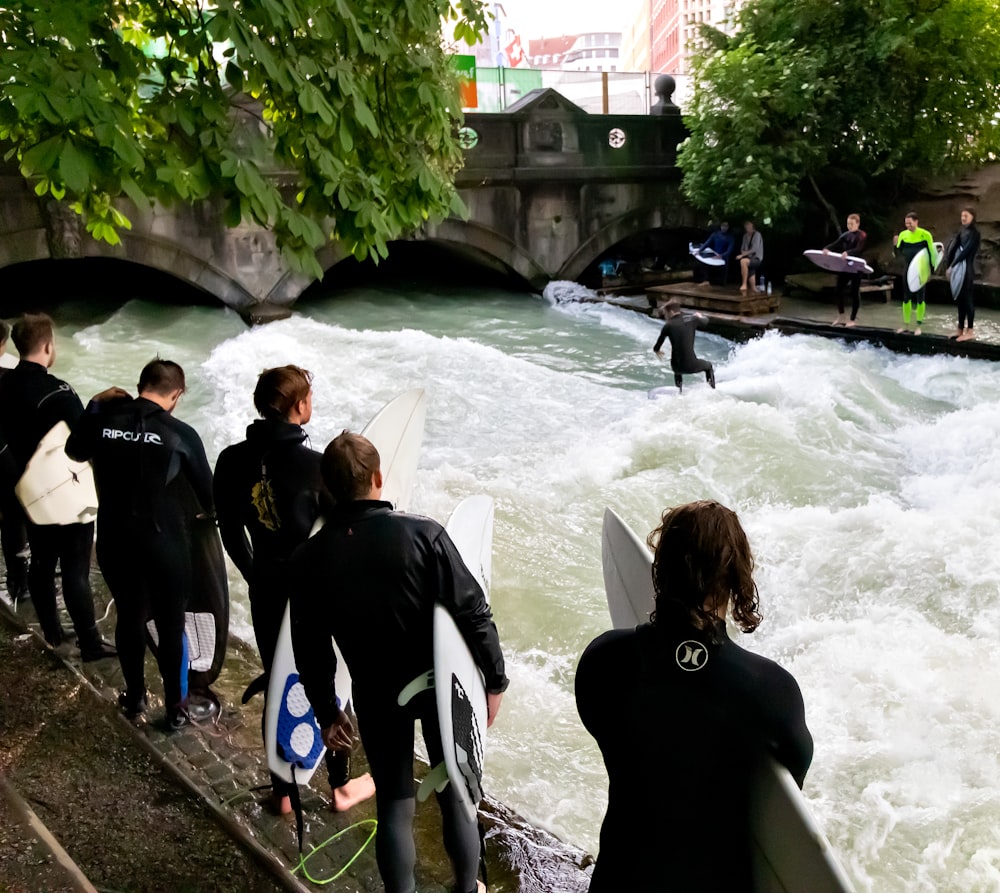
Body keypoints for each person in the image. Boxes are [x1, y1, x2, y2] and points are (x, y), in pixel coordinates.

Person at [288, 432, 508, 893]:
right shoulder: (423, 534)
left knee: (394, 802)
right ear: (378, 478)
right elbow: (474, 611)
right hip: (438, 686)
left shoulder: (308, 558)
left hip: (375, 691)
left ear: (327, 486)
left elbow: (310, 647)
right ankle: (467, 888)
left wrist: (328, 711)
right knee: (454, 792)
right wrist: (494, 680)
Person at [575, 500, 813, 892]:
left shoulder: (604, 659)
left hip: (621, 878)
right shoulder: (771, 690)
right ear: (737, 578)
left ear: (660, 570)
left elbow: (597, 720)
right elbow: (790, 787)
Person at [213, 365, 375, 815]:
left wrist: (255, 575)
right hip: (316, 594)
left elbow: (229, 532)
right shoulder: (316, 466)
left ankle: (283, 793)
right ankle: (340, 787)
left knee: (280, 678)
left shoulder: (230, 460)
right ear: (299, 405)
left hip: (266, 587)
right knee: (331, 685)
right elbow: (349, 530)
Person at [65, 359, 213, 728]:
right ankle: (176, 710)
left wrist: (95, 404)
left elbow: (74, 450)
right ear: (176, 395)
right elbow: (209, 498)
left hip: (115, 541)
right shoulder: (181, 433)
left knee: (129, 616)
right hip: (165, 544)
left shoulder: (102, 422)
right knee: (170, 622)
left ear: (139, 384)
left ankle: (134, 698)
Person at [0, 313, 114, 660]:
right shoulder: (58, 391)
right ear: (48, 346)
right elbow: (86, 440)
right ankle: (90, 643)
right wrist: (97, 405)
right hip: (62, 493)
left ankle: (52, 633)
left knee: (42, 563)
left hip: (23, 489)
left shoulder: (3, 383)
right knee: (76, 569)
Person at [0, 320, 29, 603]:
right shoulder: (8, 379)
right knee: (13, 520)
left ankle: (18, 581)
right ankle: (18, 583)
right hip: (6, 463)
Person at [653, 299, 716, 393]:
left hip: (676, 367)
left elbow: (657, 346)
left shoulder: (668, 325)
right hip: (692, 365)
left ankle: (680, 391)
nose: (665, 316)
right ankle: (712, 391)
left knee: (677, 369)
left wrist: (657, 351)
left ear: (671, 312)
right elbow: (706, 321)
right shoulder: (692, 319)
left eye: (665, 313)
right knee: (709, 366)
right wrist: (700, 316)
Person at [893, 211, 938, 335]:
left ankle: (918, 326)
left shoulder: (925, 234)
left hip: (921, 269)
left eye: (910, 223)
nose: (908, 225)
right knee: (906, 298)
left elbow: (931, 254)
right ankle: (906, 325)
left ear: (916, 221)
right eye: (906, 223)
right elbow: (898, 253)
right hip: (908, 269)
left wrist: (931, 271)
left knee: (920, 298)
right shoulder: (903, 235)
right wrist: (895, 245)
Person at [944, 207, 981, 342]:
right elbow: (953, 248)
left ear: (972, 217)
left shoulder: (975, 234)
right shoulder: (962, 232)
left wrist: (952, 266)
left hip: (967, 271)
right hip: (958, 271)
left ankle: (970, 331)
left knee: (967, 300)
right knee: (960, 302)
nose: (963, 218)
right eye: (962, 216)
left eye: (966, 215)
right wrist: (948, 265)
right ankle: (960, 329)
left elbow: (965, 252)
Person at [824, 213, 867, 326]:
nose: (849, 226)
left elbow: (859, 249)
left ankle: (852, 319)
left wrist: (848, 252)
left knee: (854, 292)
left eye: (852, 224)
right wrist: (826, 249)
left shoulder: (862, 235)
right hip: (845, 267)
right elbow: (835, 245)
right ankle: (841, 316)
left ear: (857, 223)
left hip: (856, 267)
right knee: (838, 290)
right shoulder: (845, 235)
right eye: (848, 223)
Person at [692, 221, 735, 287]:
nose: (724, 228)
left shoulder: (730, 237)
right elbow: (707, 243)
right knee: (703, 263)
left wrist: (721, 256)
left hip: (724, 257)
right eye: (723, 226)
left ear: (728, 227)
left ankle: (723, 284)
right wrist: (699, 251)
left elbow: (729, 250)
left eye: (726, 226)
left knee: (723, 268)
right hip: (714, 254)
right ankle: (706, 280)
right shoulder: (715, 234)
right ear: (720, 226)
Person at [736, 220, 764, 293]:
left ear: (752, 226)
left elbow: (754, 249)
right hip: (749, 258)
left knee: (743, 261)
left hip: (757, 258)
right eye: (746, 225)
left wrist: (742, 255)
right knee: (751, 271)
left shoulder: (757, 234)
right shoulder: (745, 236)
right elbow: (743, 248)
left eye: (749, 225)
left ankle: (744, 284)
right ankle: (754, 289)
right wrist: (743, 252)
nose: (747, 227)